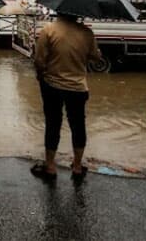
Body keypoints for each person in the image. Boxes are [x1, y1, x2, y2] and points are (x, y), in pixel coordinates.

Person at [32, 12, 103, 181]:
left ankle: (50, 166)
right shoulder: (87, 33)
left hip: (52, 85)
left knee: (53, 123)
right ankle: (77, 166)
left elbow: (39, 60)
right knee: (78, 125)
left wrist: (40, 76)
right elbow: (96, 57)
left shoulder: (48, 30)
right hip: (78, 87)